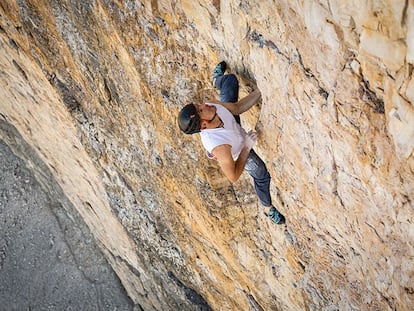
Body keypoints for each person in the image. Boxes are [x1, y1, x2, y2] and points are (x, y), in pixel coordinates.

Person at [177, 61, 285, 225]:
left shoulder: (213, 107)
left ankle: (217, 80)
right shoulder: (219, 147)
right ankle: (268, 208)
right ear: (203, 124)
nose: (204, 104)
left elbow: (237, 108)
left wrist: (262, 90)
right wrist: (246, 147)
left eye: (199, 106)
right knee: (261, 174)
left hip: (231, 126)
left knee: (230, 81)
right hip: (238, 148)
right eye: (200, 110)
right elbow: (233, 176)